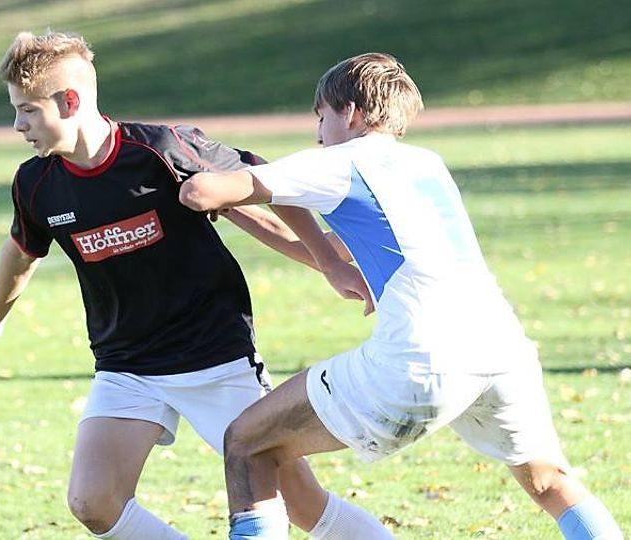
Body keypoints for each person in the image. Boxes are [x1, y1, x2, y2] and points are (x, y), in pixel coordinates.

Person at [179, 52, 625, 540]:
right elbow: (323, 246)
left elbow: (200, 193)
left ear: (350, 112)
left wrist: (195, 169)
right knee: (550, 482)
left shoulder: (340, 160)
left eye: (321, 117)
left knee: (248, 443)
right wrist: (247, 216)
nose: (318, 133)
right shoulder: (426, 164)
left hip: (421, 362)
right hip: (502, 352)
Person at [0, 30, 351, 539]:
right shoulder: (35, 183)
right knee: (93, 501)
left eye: (28, 110)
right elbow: (21, 252)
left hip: (214, 357)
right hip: (126, 365)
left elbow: (265, 186)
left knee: (303, 506)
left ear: (69, 102)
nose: (17, 125)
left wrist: (329, 263)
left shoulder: (162, 149)